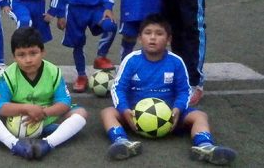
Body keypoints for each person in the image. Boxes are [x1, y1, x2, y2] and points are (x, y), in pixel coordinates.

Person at [101, 14, 236, 165]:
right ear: (140, 38)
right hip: (135, 117)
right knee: (108, 112)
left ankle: (205, 145)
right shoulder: (131, 60)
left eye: (159, 34)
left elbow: (184, 91)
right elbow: (118, 88)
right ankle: (121, 141)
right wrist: (125, 110)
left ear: (169, 39)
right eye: (148, 33)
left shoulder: (176, 62)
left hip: (169, 118)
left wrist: (177, 109)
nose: (153, 38)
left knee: (199, 115)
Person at [0, 27, 88, 161]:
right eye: (21, 55)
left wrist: (44, 113)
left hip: (46, 117)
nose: (28, 60)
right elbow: (0, 106)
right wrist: (26, 108)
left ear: (43, 52)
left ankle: (47, 143)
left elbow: (64, 102)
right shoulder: (8, 75)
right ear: (14, 57)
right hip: (15, 118)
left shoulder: (53, 71)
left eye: (33, 53)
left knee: (81, 113)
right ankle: (14, 143)